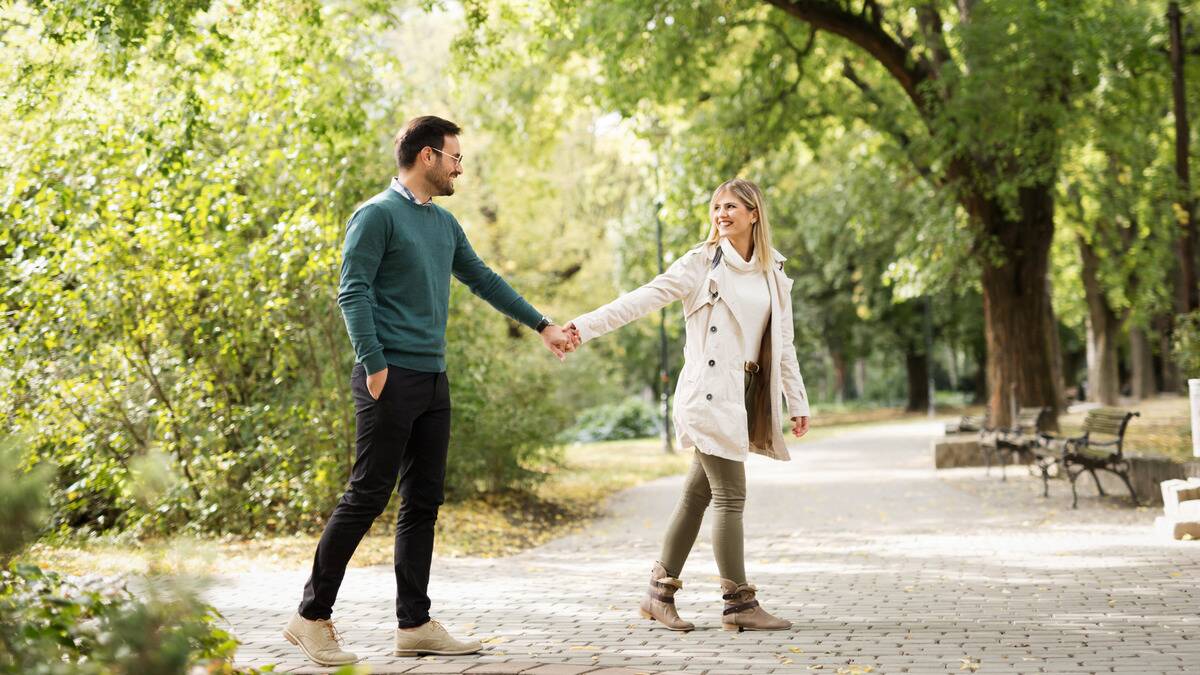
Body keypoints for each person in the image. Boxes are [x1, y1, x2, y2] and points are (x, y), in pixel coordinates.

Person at [283, 116, 580, 666]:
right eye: (455, 158)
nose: (459, 168)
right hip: (389, 377)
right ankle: (311, 616)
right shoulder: (376, 216)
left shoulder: (443, 225)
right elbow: (352, 292)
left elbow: (484, 279)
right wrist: (374, 365)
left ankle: (414, 624)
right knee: (367, 495)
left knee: (423, 501)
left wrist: (542, 325)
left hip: (433, 378)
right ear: (426, 157)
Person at [566, 178, 810, 632]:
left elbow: (784, 344)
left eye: (732, 206)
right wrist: (582, 327)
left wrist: (797, 400)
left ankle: (658, 594)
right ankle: (738, 603)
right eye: (716, 206)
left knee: (697, 495)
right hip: (708, 395)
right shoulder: (701, 264)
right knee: (730, 497)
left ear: (754, 214)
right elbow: (641, 299)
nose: (721, 213)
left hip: (744, 396)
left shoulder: (772, 272)